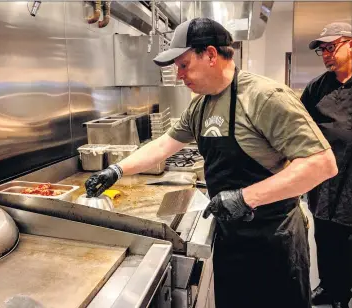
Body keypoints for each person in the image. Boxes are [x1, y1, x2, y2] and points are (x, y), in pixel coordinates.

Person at [85, 18, 338, 308]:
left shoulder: (264, 97)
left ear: (211, 55)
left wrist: (245, 197)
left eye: (183, 65)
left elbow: (322, 163)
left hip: (273, 239)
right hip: (231, 236)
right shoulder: (201, 103)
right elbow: (164, 145)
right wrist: (116, 169)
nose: (179, 75)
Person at [300, 22, 352, 308]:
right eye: (323, 50)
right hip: (326, 183)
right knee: (326, 239)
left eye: (331, 47)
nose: (326, 55)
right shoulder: (317, 88)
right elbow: (299, 130)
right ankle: (331, 289)